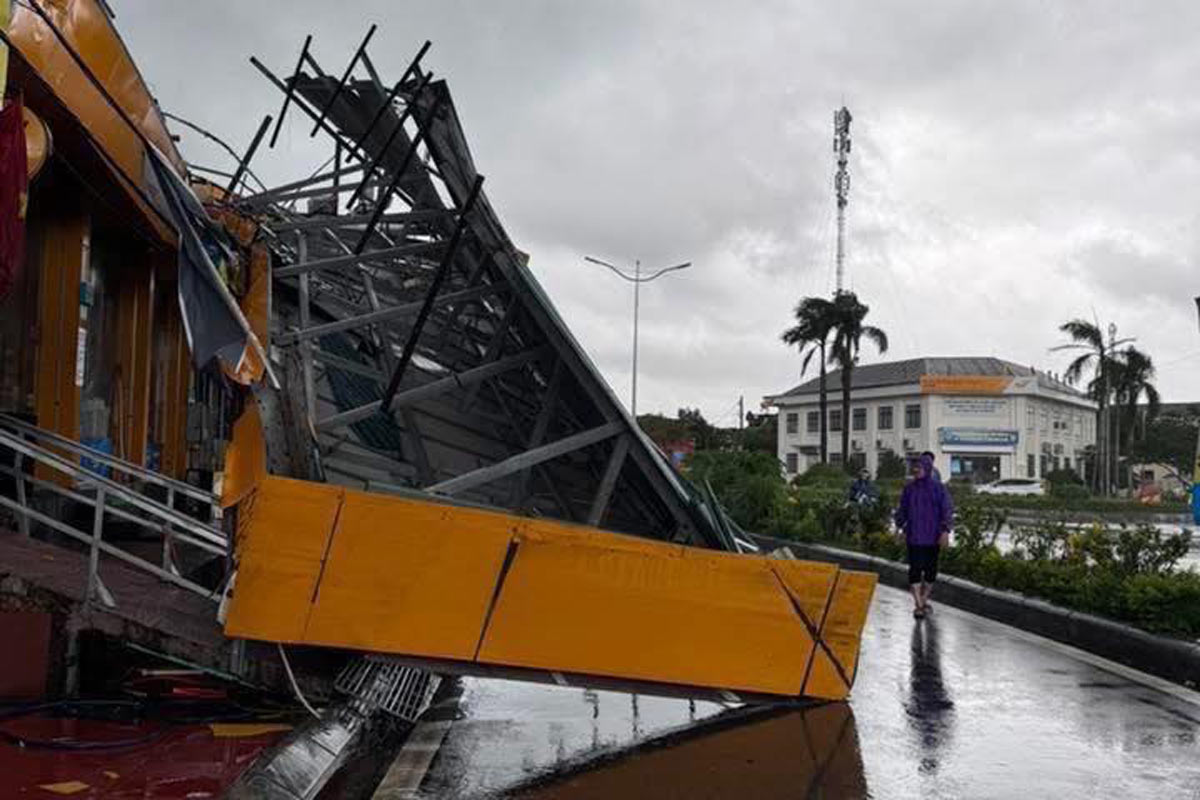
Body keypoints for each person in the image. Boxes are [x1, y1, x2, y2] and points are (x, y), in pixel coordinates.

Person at [895, 453, 953, 619]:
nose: (916, 470)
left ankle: (924, 598)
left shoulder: (939, 489)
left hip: (933, 537)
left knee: (930, 571)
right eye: (915, 467)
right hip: (914, 536)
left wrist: (945, 530)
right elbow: (903, 510)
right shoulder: (909, 489)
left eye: (919, 467)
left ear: (927, 468)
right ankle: (919, 604)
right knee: (914, 569)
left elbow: (946, 510)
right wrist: (899, 528)